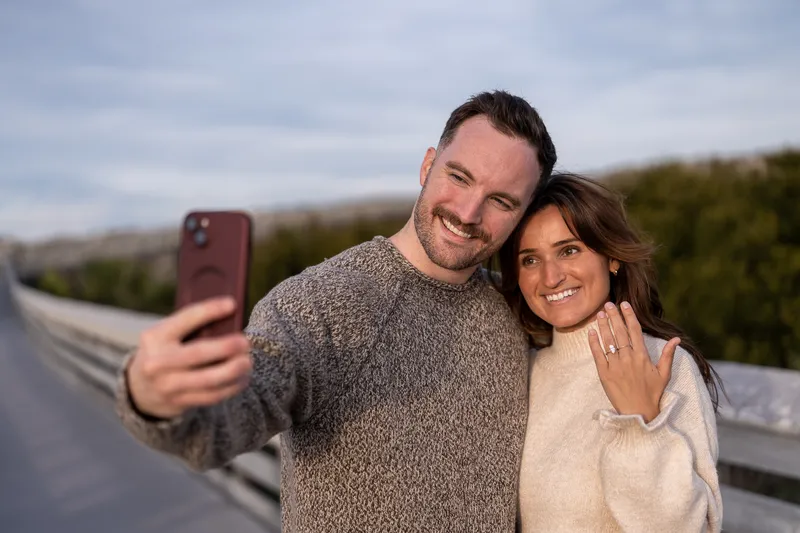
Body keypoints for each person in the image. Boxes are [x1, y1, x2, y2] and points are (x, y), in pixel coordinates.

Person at [114, 90, 558, 532]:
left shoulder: (516, 310)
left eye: (501, 201)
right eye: (459, 177)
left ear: (521, 215)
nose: (468, 212)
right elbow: (228, 416)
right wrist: (155, 400)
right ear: (427, 165)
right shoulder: (323, 301)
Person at [492, 172, 724, 532]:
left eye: (568, 250)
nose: (550, 277)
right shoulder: (524, 372)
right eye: (530, 260)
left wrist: (640, 424)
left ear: (611, 257)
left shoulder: (664, 364)